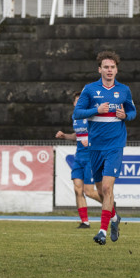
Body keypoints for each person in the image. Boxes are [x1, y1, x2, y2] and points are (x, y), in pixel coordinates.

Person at [72, 50, 135, 245]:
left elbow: (132, 112)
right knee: (100, 191)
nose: (109, 70)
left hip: (115, 145)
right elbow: (77, 113)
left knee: (108, 187)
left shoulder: (124, 90)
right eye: (106, 67)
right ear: (100, 69)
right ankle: (114, 217)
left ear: (117, 70)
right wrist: (96, 110)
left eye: (112, 67)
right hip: (95, 147)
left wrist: (126, 116)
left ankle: (102, 231)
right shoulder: (89, 89)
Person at [55, 91, 101, 228]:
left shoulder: (92, 116)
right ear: (74, 103)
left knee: (89, 192)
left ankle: (109, 204)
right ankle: (85, 222)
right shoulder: (75, 116)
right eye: (77, 100)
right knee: (77, 189)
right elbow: (78, 135)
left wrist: (91, 141)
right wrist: (65, 136)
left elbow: (101, 134)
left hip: (90, 157)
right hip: (79, 156)